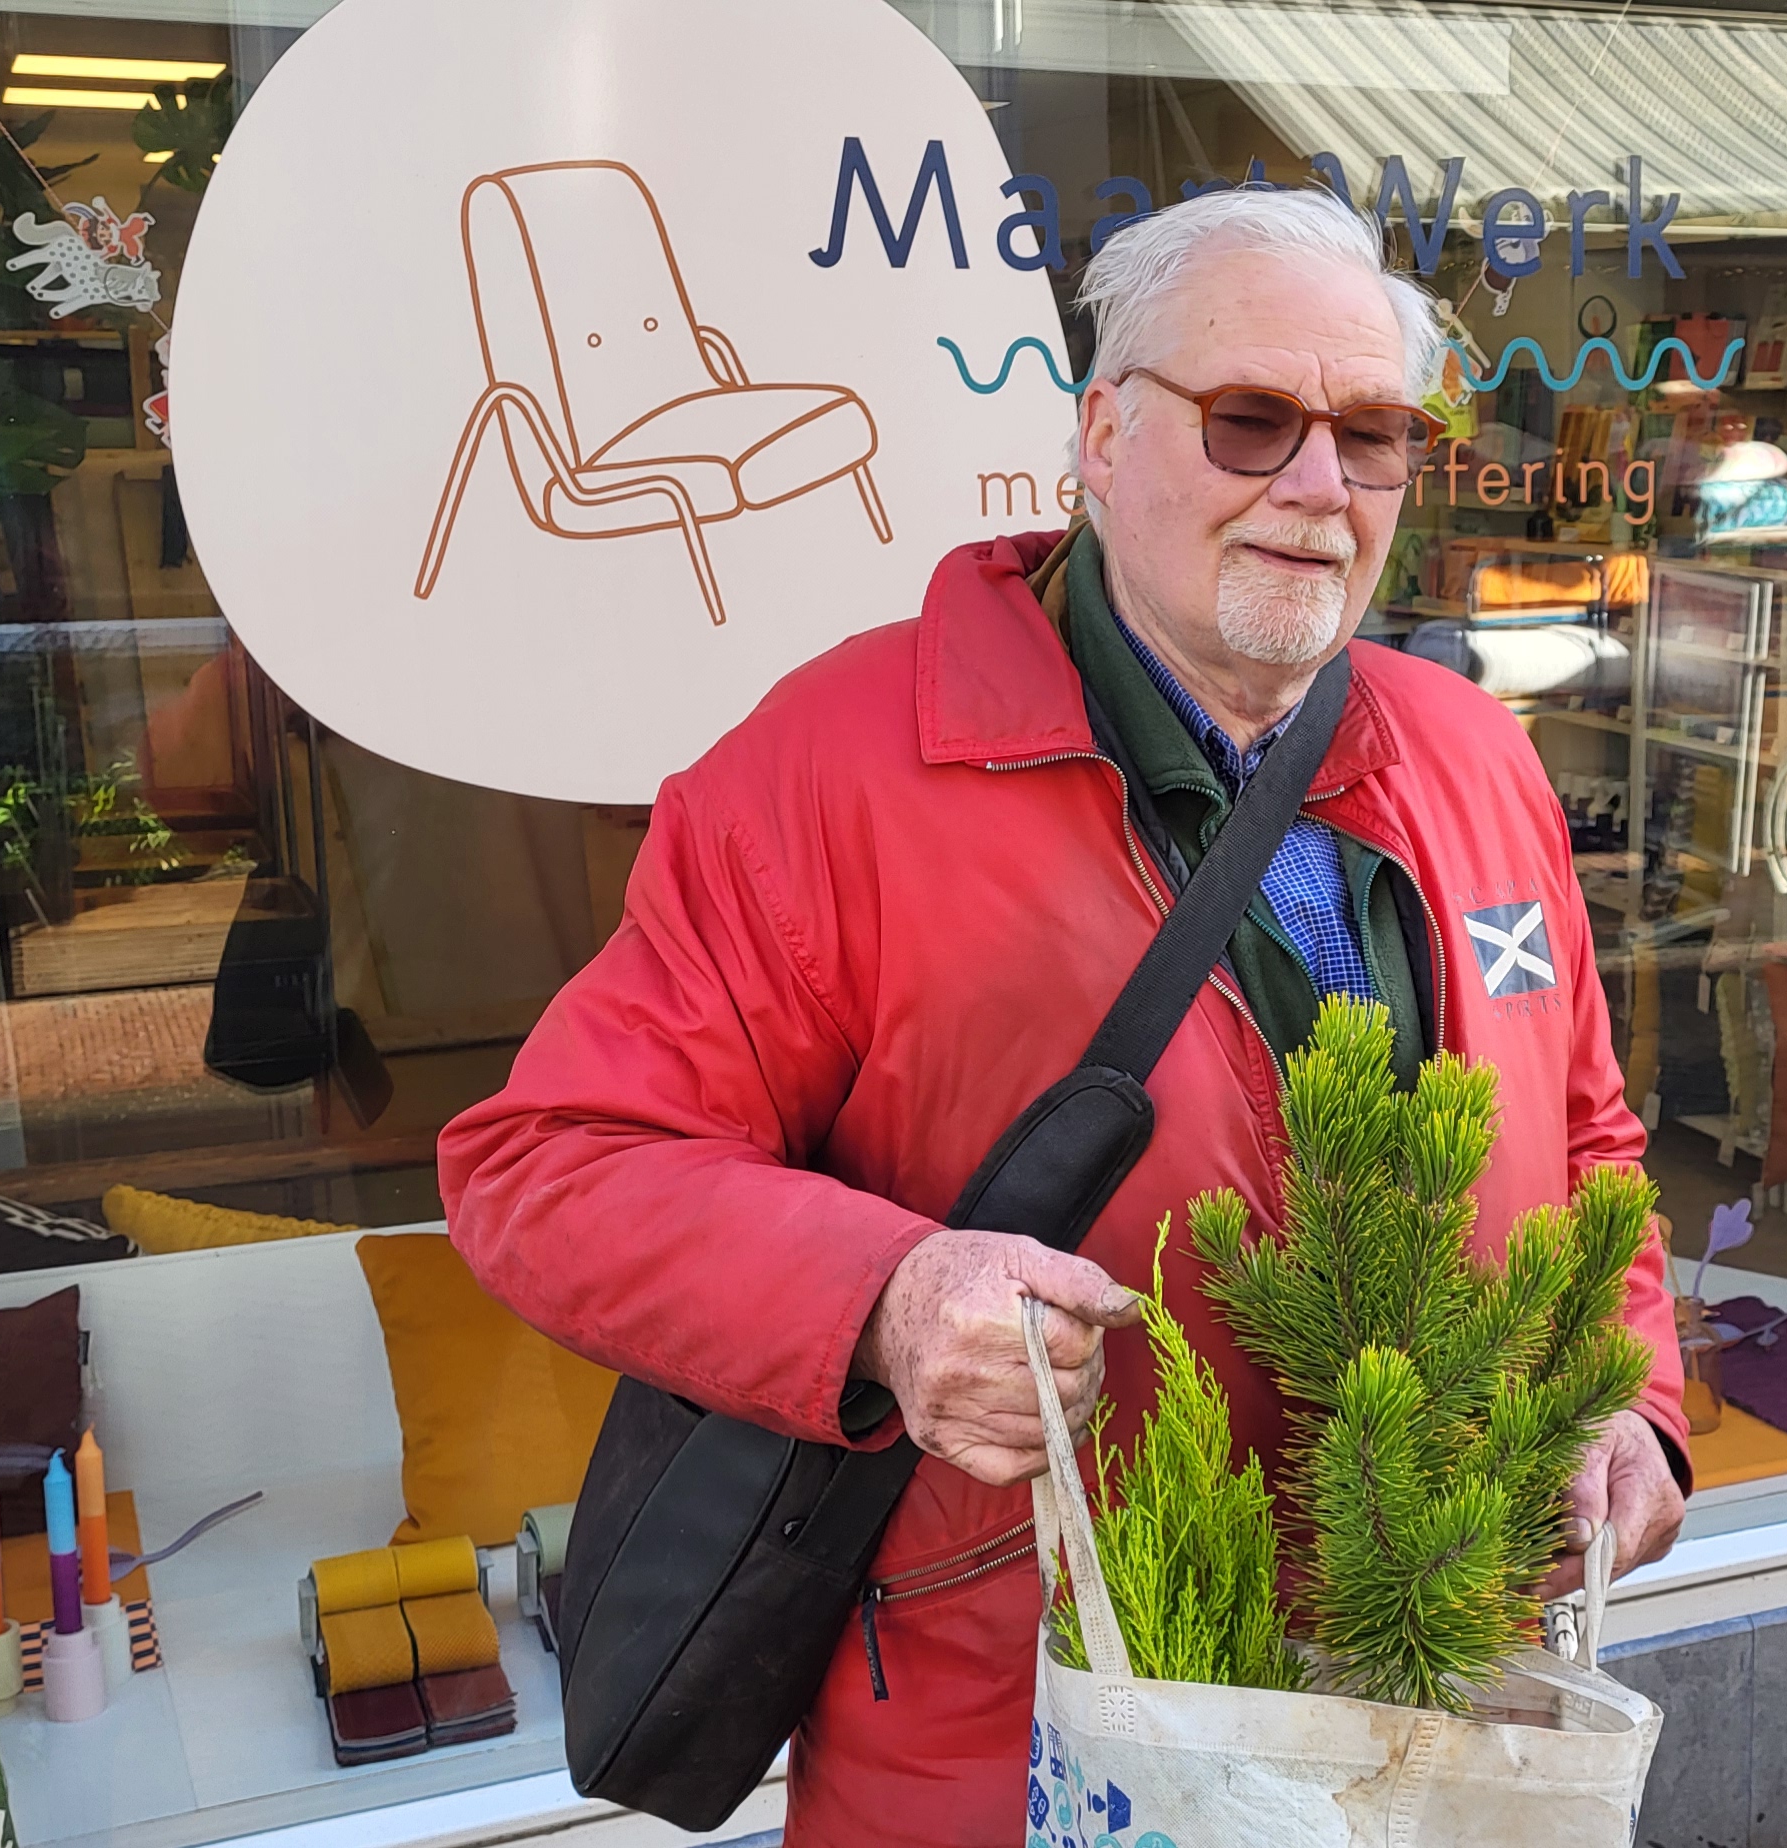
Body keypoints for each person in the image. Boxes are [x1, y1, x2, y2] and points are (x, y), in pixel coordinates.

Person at [438, 187, 1689, 1843]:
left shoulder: (1473, 753)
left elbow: (1587, 1136)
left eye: (1372, 438)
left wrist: (1635, 1407)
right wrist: (886, 1298)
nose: (1317, 487)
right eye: (1251, 421)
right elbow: (552, 1162)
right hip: (1011, 1738)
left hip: (1431, 1722)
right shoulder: (829, 772)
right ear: (1101, 437)